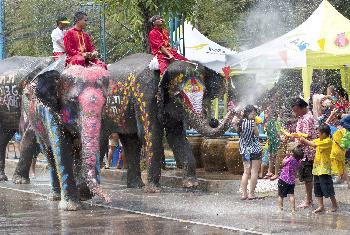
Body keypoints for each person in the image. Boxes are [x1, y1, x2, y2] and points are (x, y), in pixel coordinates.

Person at [300, 125, 338, 213]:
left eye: (319, 133)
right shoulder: (320, 140)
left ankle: (334, 205)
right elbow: (312, 142)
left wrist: (304, 140)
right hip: (317, 169)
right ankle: (321, 206)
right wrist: (301, 139)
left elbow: (313, 144)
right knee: (317, 188)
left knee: (327, 187)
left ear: (324, 134)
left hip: (324, 169)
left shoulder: (328, 141)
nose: (318, 134)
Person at [291, 97, 317, 209]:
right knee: (307, 177)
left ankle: (309, 200)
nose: (295, 113)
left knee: (307, 178)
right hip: (305, 152)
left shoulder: (307, 119)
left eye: (296, 110)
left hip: (307, 153)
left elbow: (305, 136)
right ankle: (308, 199)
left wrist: (295, 142)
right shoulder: (303, 117)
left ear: (303, 108)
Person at [238, 105, 262, 200]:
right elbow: (257, 134)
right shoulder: (252, 123)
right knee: (254, 172)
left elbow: (234, 123)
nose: (255, 115)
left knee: (246, 172)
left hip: (245, 150)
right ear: (248, 113)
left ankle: (244, 194)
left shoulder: (240, 123)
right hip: (255, 149)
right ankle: (251, 194)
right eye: (253, 113)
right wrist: (255, 126)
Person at [278, 146, 303, 213]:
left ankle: (280, 209)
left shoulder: (290, 159)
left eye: (291, 152)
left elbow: (283, 163)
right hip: (291, 181)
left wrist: (286, 157)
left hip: (283, 179)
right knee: (291, 195)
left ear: (293, 154)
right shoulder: (299, 161)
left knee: (281, 196)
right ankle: (293, 210)